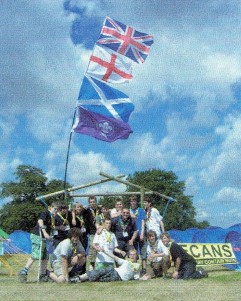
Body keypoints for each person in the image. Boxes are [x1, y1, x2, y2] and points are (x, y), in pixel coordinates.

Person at [18, 202, 58, 283]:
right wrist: (45, 232)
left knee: (45, 256)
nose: (56, 211)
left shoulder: (52, 217)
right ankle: (23, 272)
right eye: (55, 209)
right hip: (37, 236)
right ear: (50, 207)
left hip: (45, 238)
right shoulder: (45, 213)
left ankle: (43, 275)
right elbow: (40, 221)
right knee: (37, 254)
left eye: (57, 210)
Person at [71, 248, 140, 283]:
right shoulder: (125, 262)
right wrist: (104, 251)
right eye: (131, 254)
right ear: (129, 255)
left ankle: (81, 279)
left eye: (134, 254)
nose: (132, 256)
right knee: (97, 272)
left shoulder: (138, 265)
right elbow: (113, 256)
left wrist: (144, 278)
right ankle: (78, 278)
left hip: (118, 279)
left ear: (136, 255)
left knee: (98, 279)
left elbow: (136, 277)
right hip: (113, 271)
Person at [129, 195, 147, 274]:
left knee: (143, 251)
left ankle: (144, 269)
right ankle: (135, 268)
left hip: (141, 233)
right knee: (134, 251)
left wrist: (142, 233)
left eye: (134, 201)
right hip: (133, 234)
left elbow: (143, 222)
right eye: (132, 201)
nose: (133, 202)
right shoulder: (128, 211)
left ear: (136, 202)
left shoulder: (141, 210)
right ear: (130, 202)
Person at [84, 195, 101, 270]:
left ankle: (100, 265)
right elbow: (76, 210)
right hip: (92, 232)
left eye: (94, 202)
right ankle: (91, 265)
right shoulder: (86, 210)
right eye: (91, 202)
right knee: (92, 248)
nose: (92, 203)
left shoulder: (100, 209)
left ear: (96, 202)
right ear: (89, 203)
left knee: (101, 248)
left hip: (100, 232)